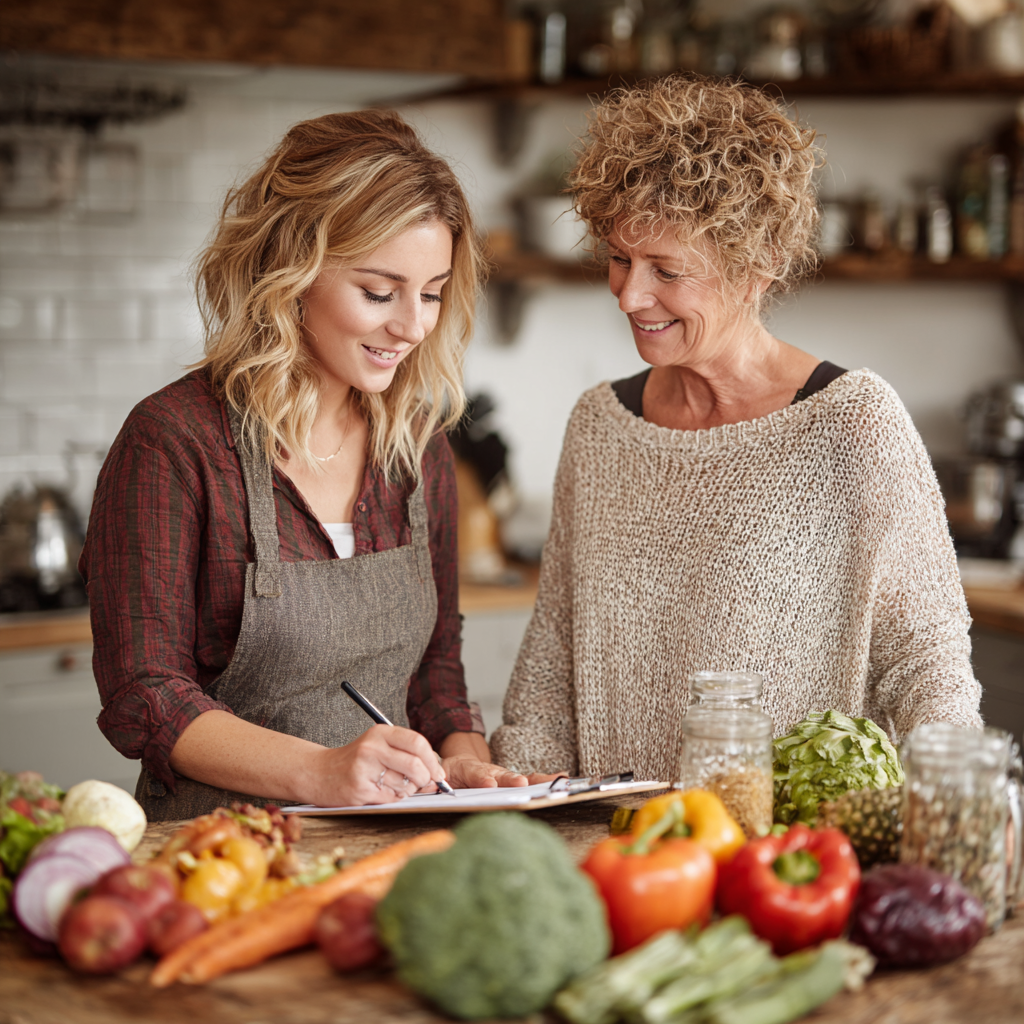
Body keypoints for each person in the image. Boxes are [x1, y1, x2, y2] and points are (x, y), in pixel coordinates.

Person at [490, 76, 982, 781]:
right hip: (626, 855)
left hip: (787, 859)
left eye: (667, 269)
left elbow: (924, 655)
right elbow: (554, 655)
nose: (629, 294)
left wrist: (957, 802)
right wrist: (525, 800)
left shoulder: (851, 423)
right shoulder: (600, 426)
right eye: (620, 258)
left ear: (759, 270)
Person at [82, 110, 530, 820]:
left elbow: (435, 666)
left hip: (385, 856)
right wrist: (322, 771)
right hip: (224, 857)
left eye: (433, 292)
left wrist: (465, 761)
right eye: (379, 292)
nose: (413, 326)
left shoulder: (417, 445)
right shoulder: (174, 442)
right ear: (291, 272)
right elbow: (146, 693)